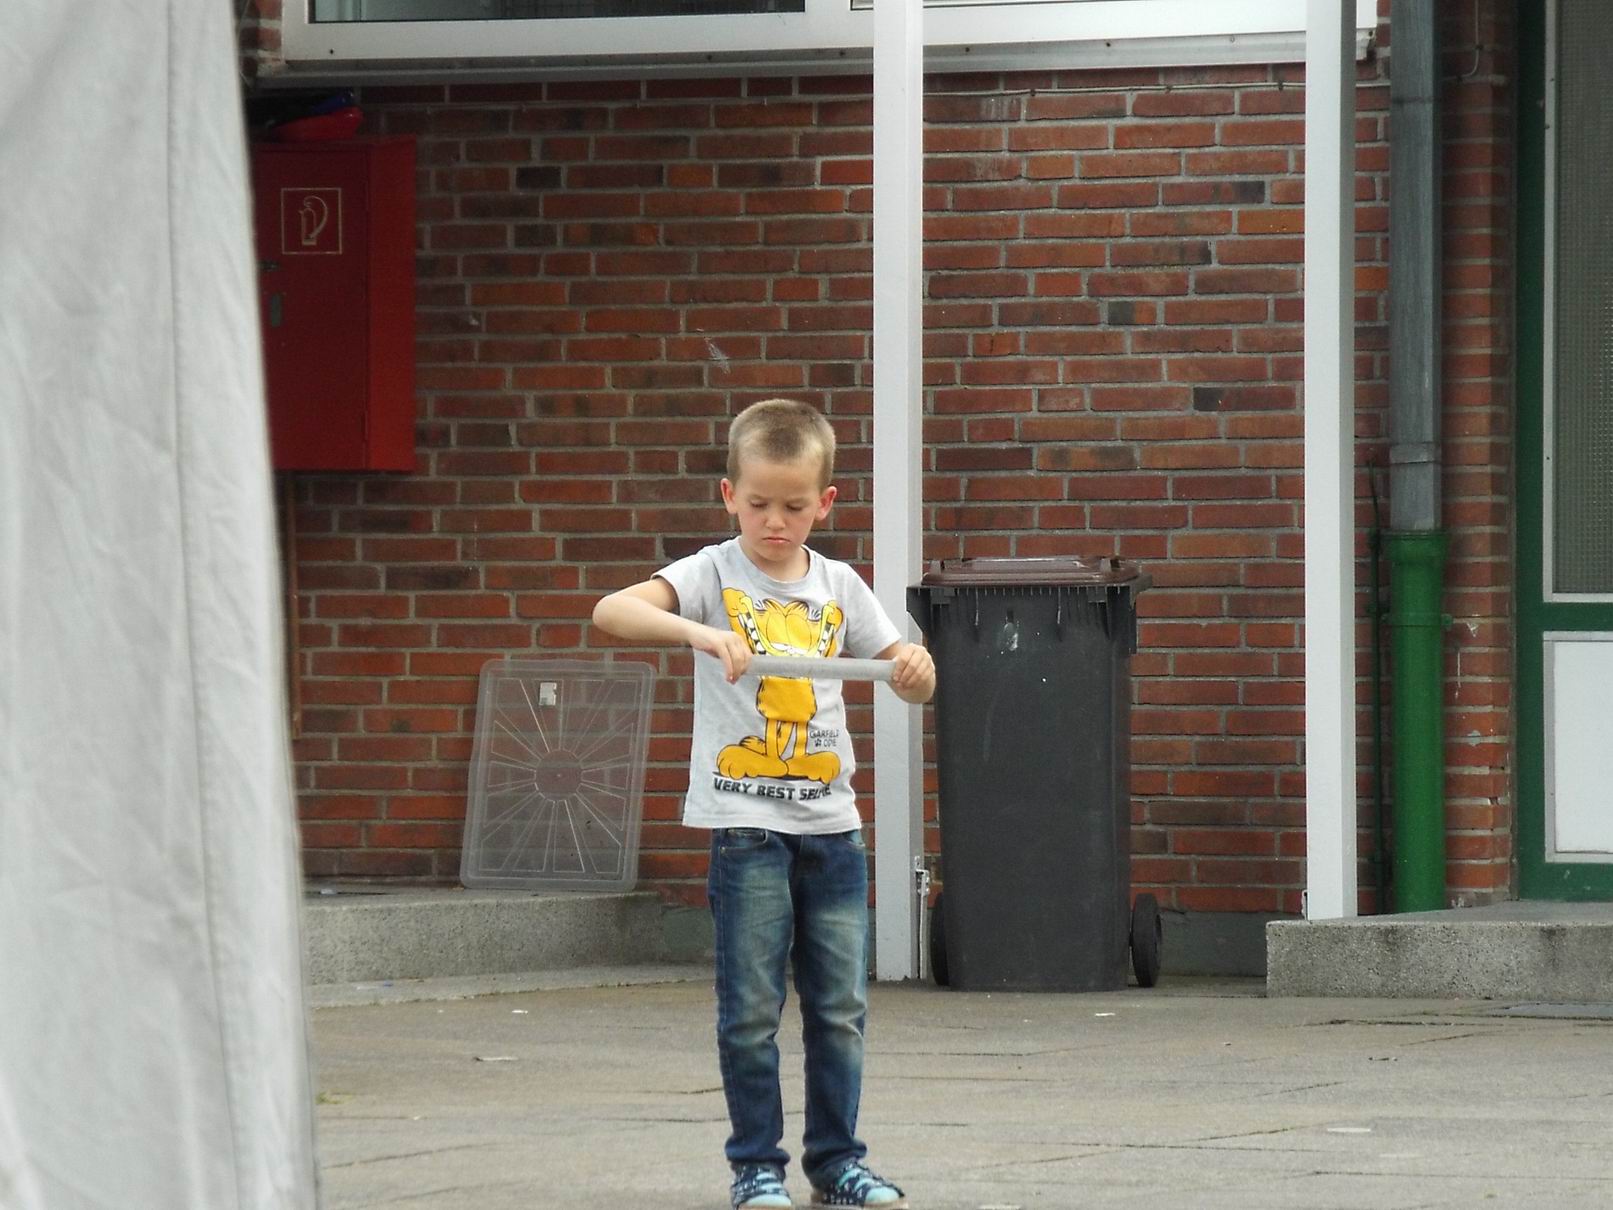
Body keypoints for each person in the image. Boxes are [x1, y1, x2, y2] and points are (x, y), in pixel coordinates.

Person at [592, 398, 935, 1210]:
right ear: (728, 496)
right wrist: (700, 634)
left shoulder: (840, 584)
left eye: (792, 506)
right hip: (746, 830)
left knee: (839, 1010)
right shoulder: (711, 573)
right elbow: (611, 611)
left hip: (833, 833)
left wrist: (916, 668)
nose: (773, 522)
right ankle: (756, 1168)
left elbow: (907, 675)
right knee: (750, 1010)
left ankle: (837, 1165)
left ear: (825, 503)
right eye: (757, 504)